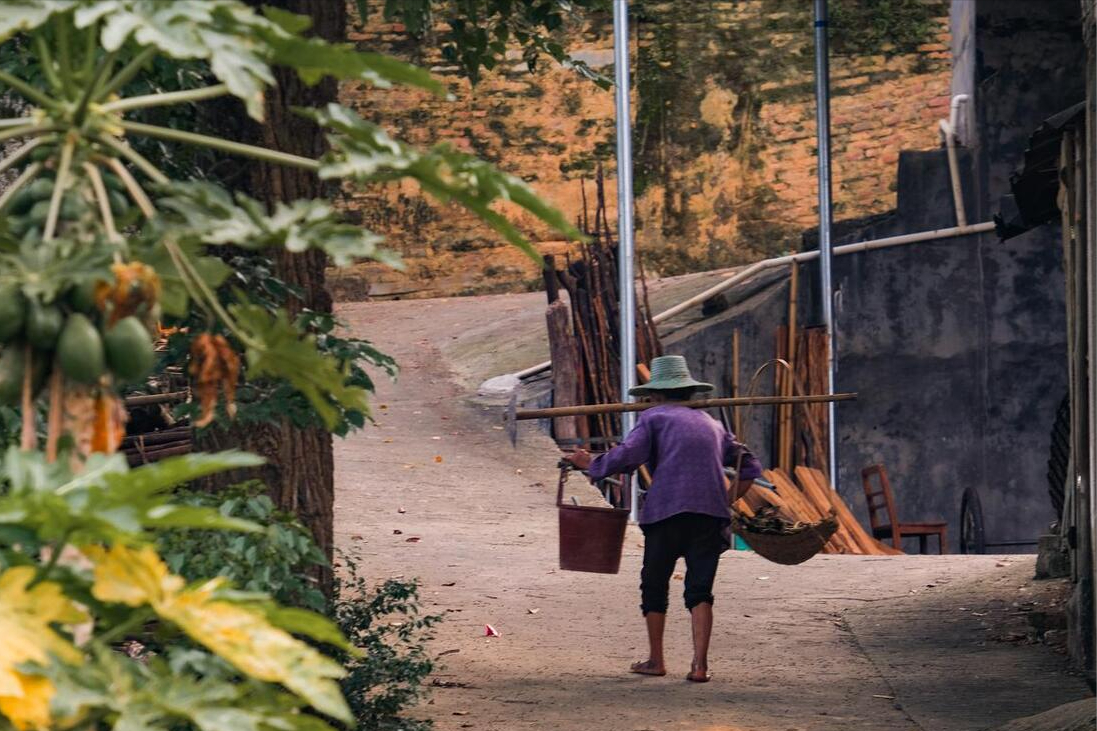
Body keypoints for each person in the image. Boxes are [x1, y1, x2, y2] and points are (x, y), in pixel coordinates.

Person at [563, 355, 762, 683]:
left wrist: (591, 463)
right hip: (709, 517)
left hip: (666, 513)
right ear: (687, 392)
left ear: (655, 394)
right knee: (700, 589)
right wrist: (723, 500)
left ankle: (656, 660)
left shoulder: (653, 417)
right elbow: (750, 466)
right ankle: (700, 666)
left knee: (654, 584)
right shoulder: (713, 425)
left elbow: (628, 456)